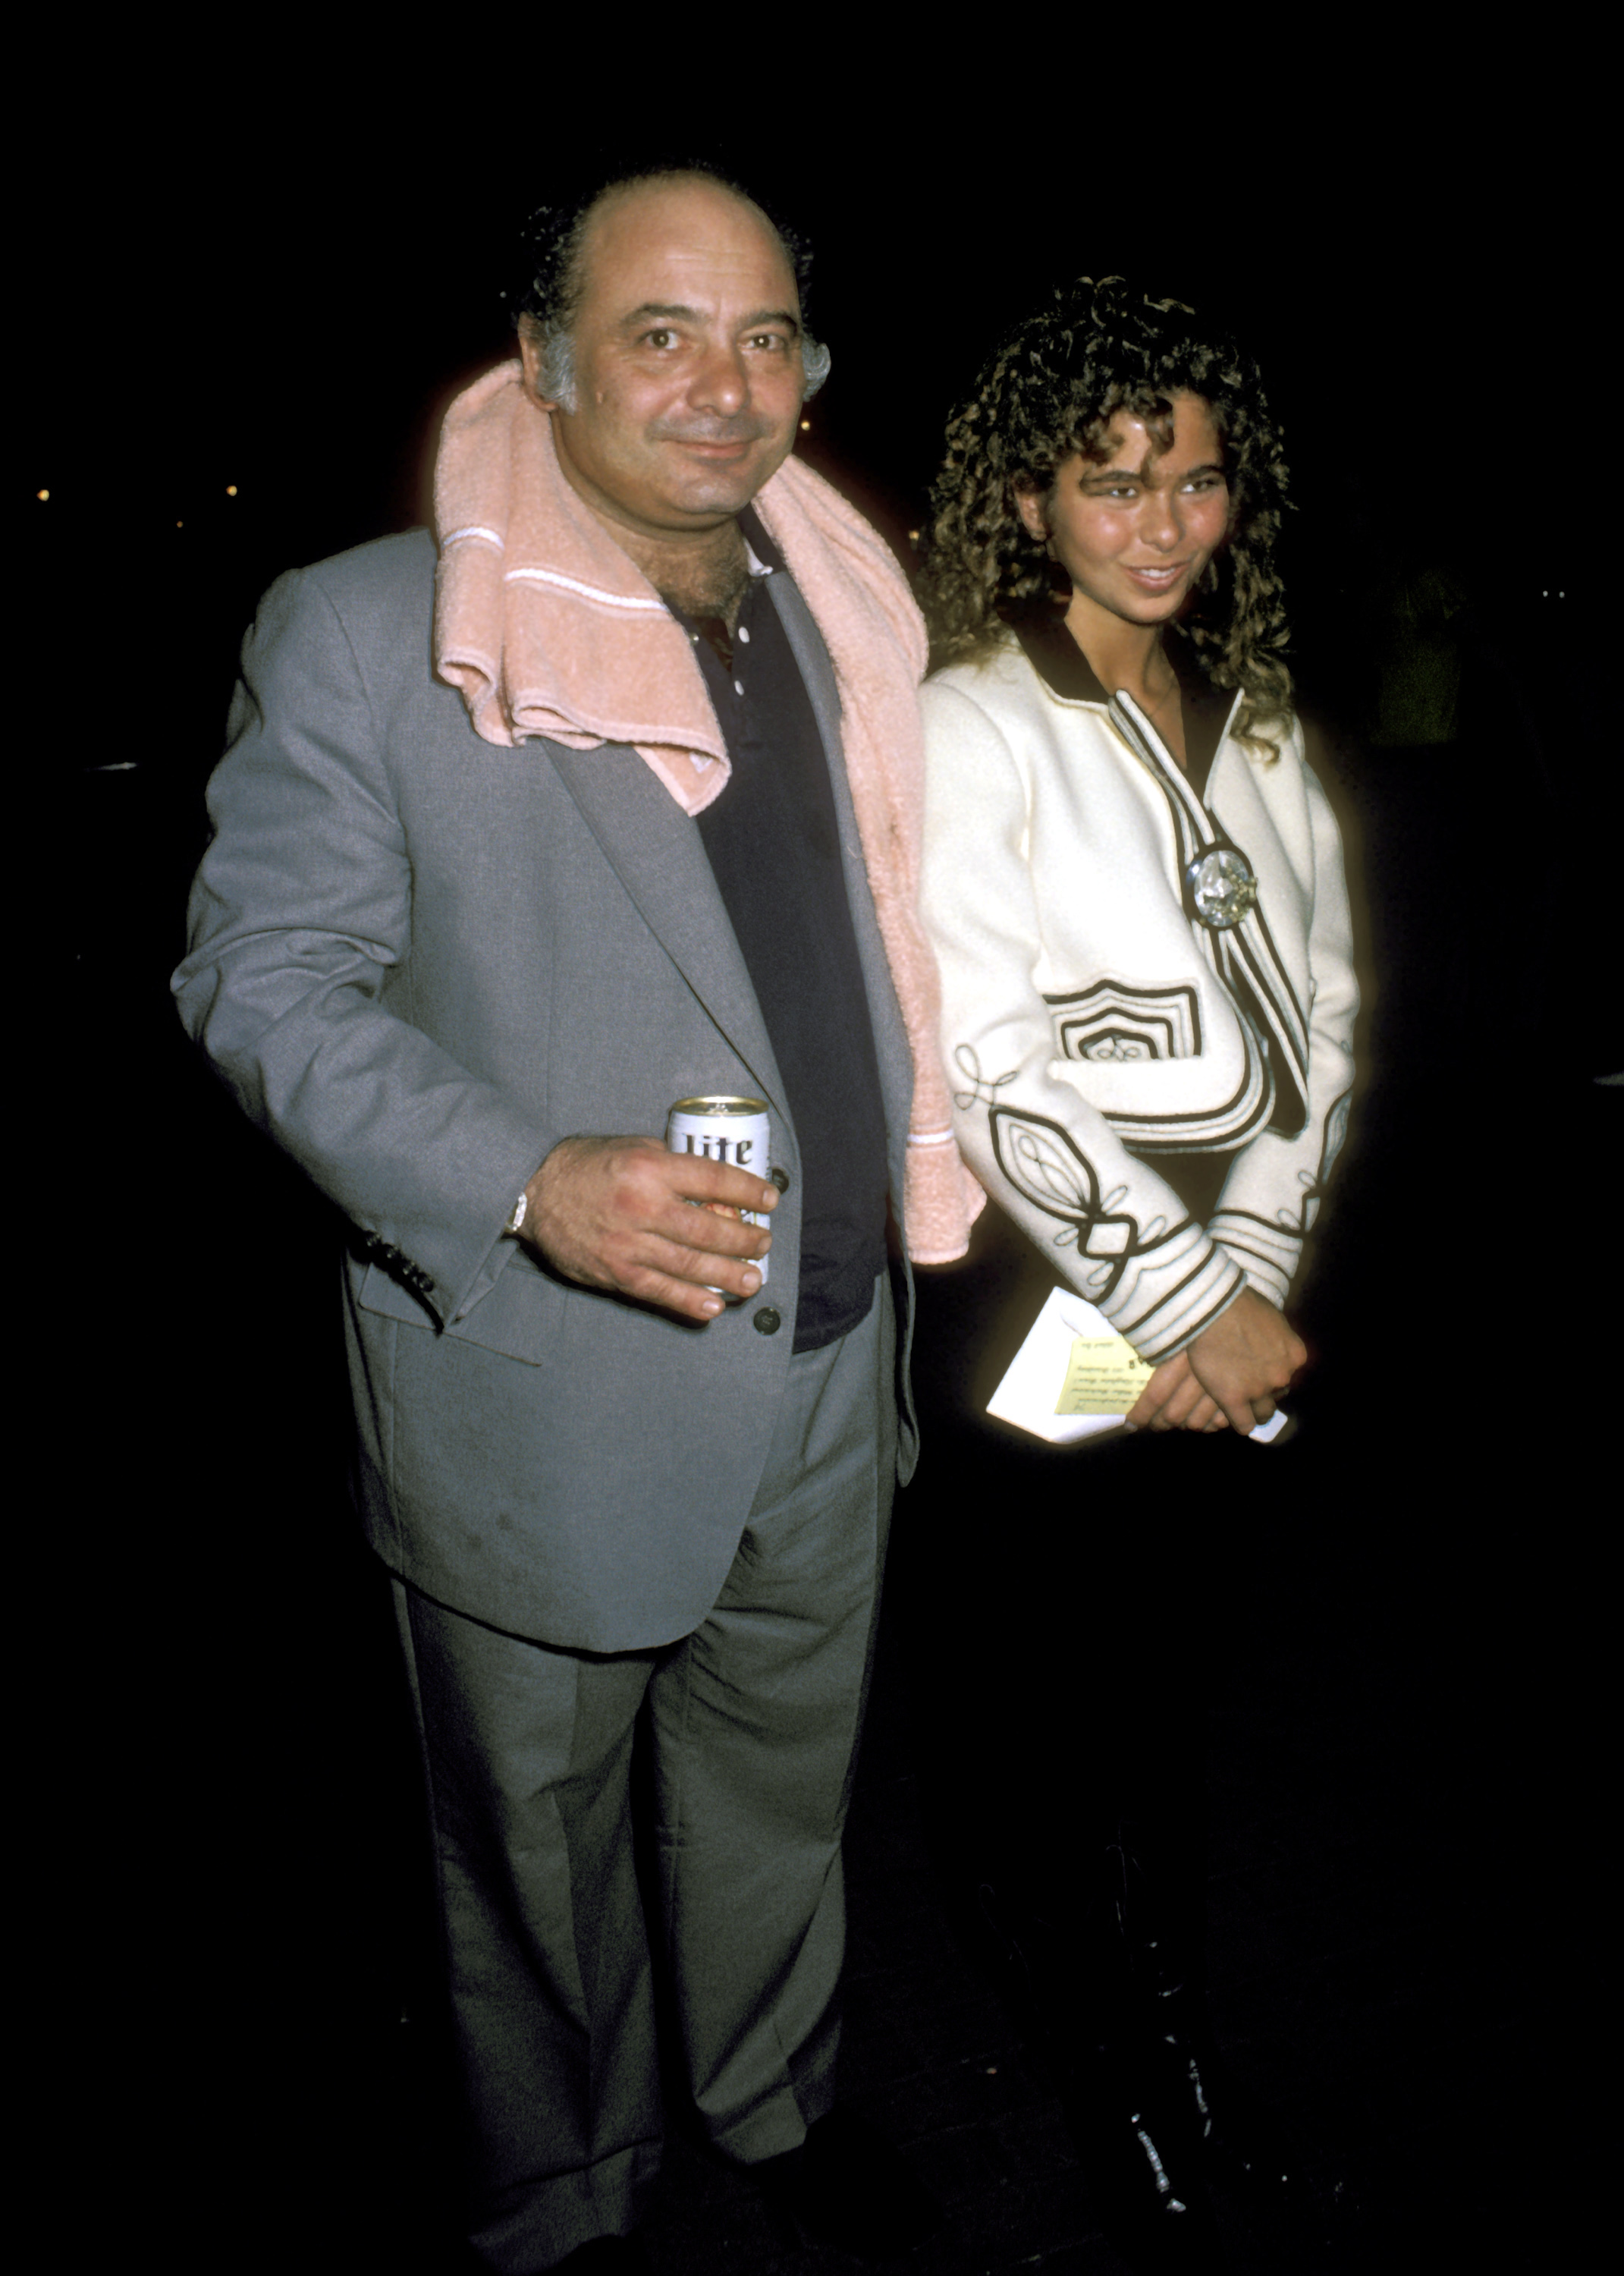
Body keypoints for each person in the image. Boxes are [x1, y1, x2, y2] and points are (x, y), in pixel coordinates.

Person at [173, 162, 977, 2274]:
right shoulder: (373, 627)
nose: (725, 387)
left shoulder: (844, 614)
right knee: (529, 1849)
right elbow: (260, 984)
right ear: (541, 359)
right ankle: (568, 2193)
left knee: (779, 1803)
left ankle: (768, 2107)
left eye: (769, 335)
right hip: (549, 1377)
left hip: (822, 1348)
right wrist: (522, 1180)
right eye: (661, 332)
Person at [906, 278, 1358, 2259]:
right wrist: (1176, 1305)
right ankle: (1133, 2108)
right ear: (1025, 503)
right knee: (1050, 1707)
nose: (1166, 522)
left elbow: (1325, 1008)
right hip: (1048, 1295)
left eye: (1195, 479)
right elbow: (990, 1056)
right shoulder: (971, 720)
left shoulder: (1246, 715)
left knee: (1158, 1687)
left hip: (1220, 1282)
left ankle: (1172, 2064)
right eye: (1113, 483)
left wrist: (1250, 1269)